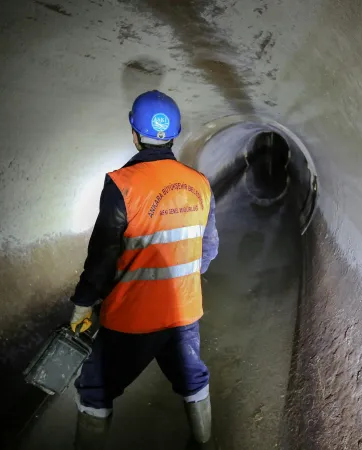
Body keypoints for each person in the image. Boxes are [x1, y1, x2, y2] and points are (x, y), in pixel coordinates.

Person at [69, 90, 219, 450]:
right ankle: (204, 443)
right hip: (184, 312)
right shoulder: (199, 183)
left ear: (134, 134)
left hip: (132, 316)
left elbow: (103, 256)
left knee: (95, 386)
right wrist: (180, 282)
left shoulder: (122, 184)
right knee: (193, 379)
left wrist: (84, 302)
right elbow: (209, 248)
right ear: (175, 134)